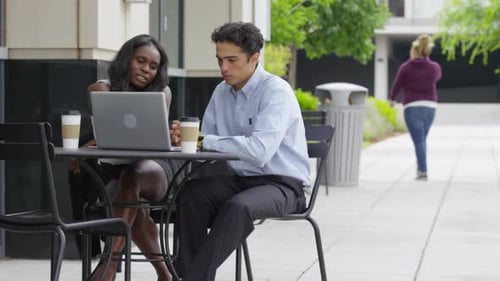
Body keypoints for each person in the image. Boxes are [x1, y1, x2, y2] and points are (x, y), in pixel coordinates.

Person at [173, 22, 310, 281]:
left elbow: (259, 152)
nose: (224, 67)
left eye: (232, 60)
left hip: (285, 184)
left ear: (254, 58)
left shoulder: (275, 91)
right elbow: (206, 146)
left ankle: (192, 278)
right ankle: (190, 275)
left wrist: (205, 140)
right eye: (219, 59)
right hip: (242, 180)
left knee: (238, 207)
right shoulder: (221, 92)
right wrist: (184, 140)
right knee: (190, 195)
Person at [69, 34, 180, 281]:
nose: (146, 70)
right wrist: (95, 143)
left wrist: (95, 143)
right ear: (126, 58)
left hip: (155, 169)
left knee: (135, 176)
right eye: (141, 61)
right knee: (133, 202)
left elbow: (148, 140)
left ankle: (109, 266)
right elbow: (112, 134)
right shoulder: (101, 88)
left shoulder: (162, 92)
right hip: (114, 173)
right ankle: (166, 275)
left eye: (153, 66)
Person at [390, 34, 442, 180]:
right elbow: (437, 77)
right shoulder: (434, 67)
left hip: (412, 107)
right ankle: (420, 168)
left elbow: (397, 85)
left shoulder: (406, 67)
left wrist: (392, 99)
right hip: (430, 107)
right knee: (422, 139)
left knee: (419, 140)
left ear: (414, 50)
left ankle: (423, 170)